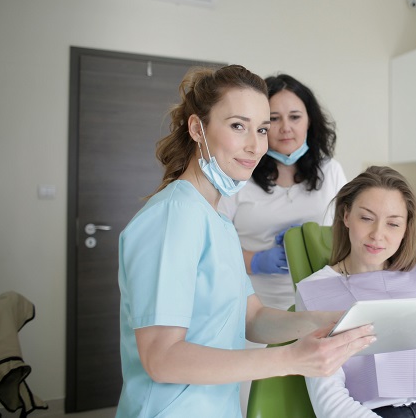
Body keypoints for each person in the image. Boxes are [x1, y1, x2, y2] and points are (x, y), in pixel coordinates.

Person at [116, 64, 374, 418]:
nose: (255, 145)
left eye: (261, 129)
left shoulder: (216, 217)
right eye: (238, 126)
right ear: (197, 128)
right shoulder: (174, 216)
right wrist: (289, 359)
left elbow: (251, 317)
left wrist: (329, 322)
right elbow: (161, 358)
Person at [295, 166, 416, 418]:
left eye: (393, 223)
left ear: (406, 228)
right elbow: (329, 402)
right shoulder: (316, 291)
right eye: (366, 218)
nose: (378, 235)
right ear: (346, 216)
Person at [219, 73, 347, 311]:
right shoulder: (237, 176)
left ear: (310, 121)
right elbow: (213, 247)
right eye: (274, 118)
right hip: (252, 309)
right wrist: (255, 261)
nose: (286, 128)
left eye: (295, 117)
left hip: (319, 306)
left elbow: (349, 235)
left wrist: (317, 239)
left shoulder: (331, 172)